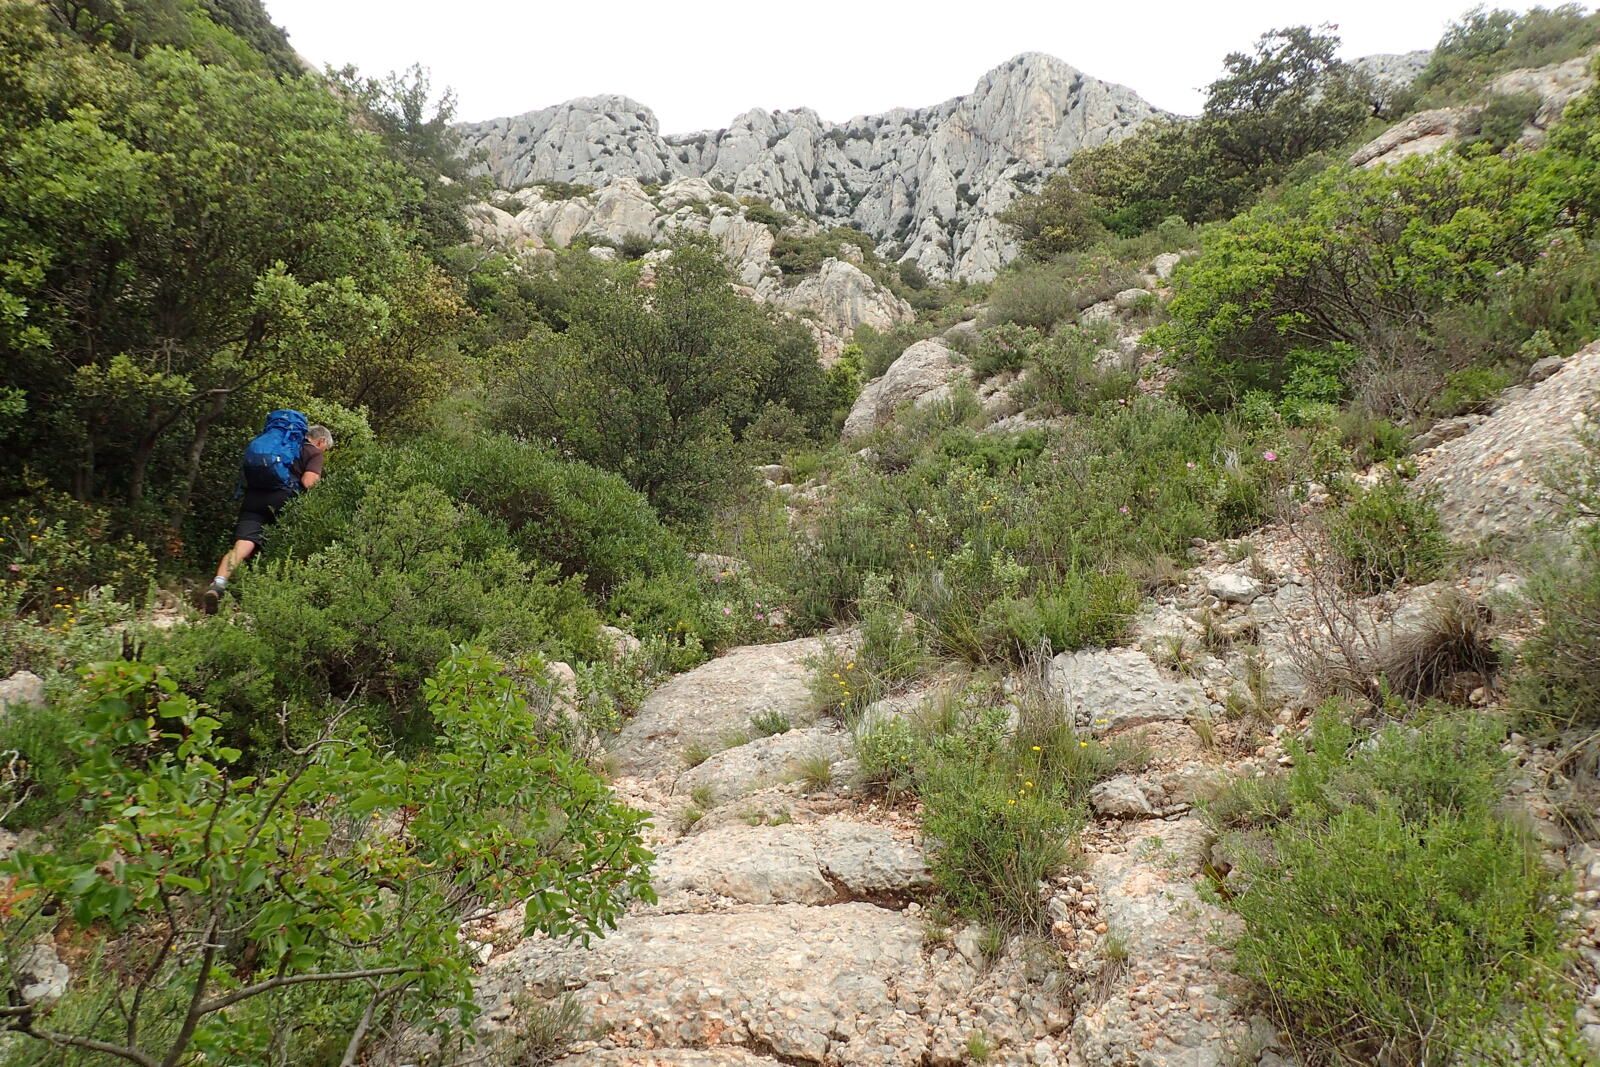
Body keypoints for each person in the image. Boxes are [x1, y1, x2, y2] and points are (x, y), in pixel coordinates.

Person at [202, 424, 334, 614]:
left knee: (243, 545)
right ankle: (267, 600)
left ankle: (218, 585)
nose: (324, 451)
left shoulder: (279, 445)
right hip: (282, 502)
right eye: (325, 448)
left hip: (253, 499)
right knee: (282, 549)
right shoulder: (313, 453)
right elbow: (308, 482)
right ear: (321, 441)